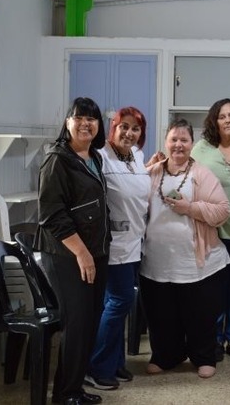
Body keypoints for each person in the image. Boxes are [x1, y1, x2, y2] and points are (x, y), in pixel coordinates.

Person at [140, 118, 230, 379]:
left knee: (199, 313)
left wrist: (190, 208)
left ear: (192, 144)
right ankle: (166, 355)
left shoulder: (201, 173)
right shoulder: (153, 172)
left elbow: (223, 211)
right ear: (166, 142)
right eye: (174, 139)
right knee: (161, 313)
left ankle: (203, 356)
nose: (178, 145)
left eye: (184, 140)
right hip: (157, 260)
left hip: (196, 262)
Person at [35, 97, 110, 405]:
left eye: (92, 119)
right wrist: (81, 252)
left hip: (94, 252)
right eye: (79, 118)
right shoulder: (57, 159)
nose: (85, 123)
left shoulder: (94, 158)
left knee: (90, 320)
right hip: (68, 255)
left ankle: (74, 388)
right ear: (67, 123)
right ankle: (65, 394)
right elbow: (52, 214)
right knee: (77, 322)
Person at [85, 107, 150, 390]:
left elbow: (137, 187)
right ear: (112, 128)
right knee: (118, 302)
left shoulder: (137, 156)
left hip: (136, 241)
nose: (129, 132)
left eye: (135, 128)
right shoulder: (99, 157)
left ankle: (115, 362)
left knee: (122, 304)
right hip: (114, 244)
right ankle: (96, 367)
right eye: (123, 126)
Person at [192, 99, 230, 362]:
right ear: (214, 122)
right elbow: (183, 174)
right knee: (215, 287)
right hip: (213, 230)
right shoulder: (202, 149)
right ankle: (215, 338)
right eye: (222, 116)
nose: (228, 120)